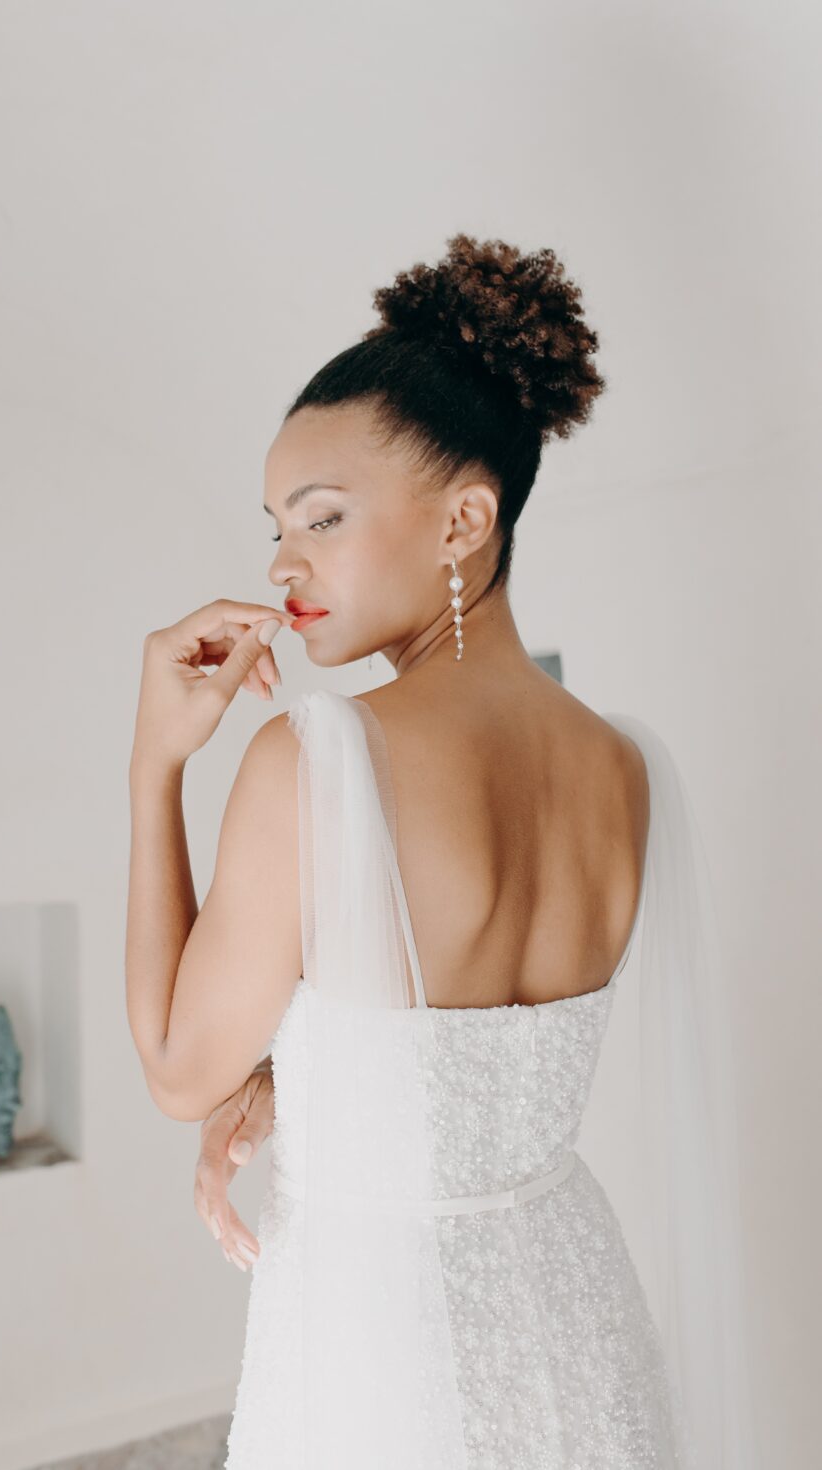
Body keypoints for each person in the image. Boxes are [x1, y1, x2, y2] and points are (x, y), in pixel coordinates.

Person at [126, 234, 762, 1467]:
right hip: (572, 1320)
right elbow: (452, 1053)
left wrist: (154, 761)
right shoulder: (623, 768)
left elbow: (174, 1069)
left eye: (322, 518)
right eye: (276, 528)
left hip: (381, 1347)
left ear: (465, 519)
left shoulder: (314, 759)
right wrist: (294, 1084)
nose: (282, 564)